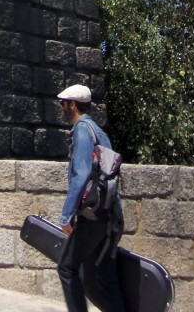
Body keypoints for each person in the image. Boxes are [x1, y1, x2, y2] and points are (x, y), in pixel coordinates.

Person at [57, 84, 125, 312]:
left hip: (93, 217)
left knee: (67, 267)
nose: (61, 107)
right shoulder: (99, 131)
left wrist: (66, 215)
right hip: (110, 216)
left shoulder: (82, 130)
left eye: (63, 103)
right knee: (106, 277)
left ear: (73, 105)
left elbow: (81, 174)